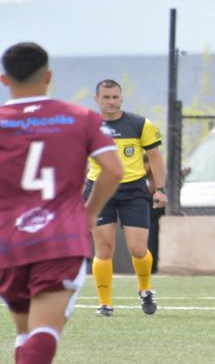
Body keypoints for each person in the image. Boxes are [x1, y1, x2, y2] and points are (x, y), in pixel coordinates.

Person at [0, 42, 123, 363]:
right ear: (49, 76)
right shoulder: (80, 117)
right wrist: (89, 213)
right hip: (60, 238)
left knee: (25, 332)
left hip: (8, 241)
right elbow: (112, 170)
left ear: (4, 80)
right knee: (44, 333)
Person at [86, 79, 167, 316]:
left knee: (138, 249)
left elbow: (155, 157)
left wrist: (160, 189)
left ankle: (145, 289)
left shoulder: (140, 123)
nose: (112, 102)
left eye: (115, 97)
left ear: (121, 98)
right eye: (106, 97)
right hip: (99, 191)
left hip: (133, 190)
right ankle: (105, 304)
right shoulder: (86, 125)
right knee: (104, 248)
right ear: (96, 99)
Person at [143, 154, 164, 274]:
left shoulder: (154, 176)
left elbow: (154, 189)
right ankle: (150, 265)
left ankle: (152, 265)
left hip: (153, 210)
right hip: (145, 210)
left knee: (151, 232)